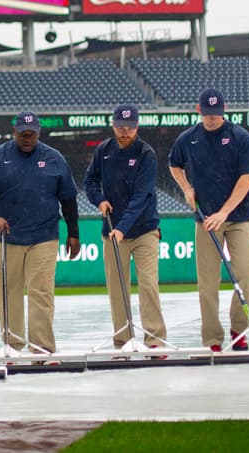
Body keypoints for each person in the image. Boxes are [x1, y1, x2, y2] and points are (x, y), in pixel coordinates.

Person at [168, 87, 249, 352]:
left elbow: (247, 178)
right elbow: (174, 164)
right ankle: (212, 339)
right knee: (207, 281)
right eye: (208, 113)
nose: (212, 118)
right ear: (199, 110)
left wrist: (224, 212)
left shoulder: (240, 136)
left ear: (224, 110)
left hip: (238, 217)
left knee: (246, 273)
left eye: (216, 114)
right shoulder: (188, 139)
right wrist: (186, 188)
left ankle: (238, 328)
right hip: (205, 219)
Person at [0, 110, 80, 355]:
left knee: (41, 292)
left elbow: (68, 198)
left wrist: (73, 232)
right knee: (7, 292)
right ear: (14, 132)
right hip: (6, 237)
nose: (27, 138)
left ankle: (42, 348)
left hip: (43, 235)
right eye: (23, 134)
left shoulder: (54, 158)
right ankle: (12, 345)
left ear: (38, 133)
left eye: (32, 134)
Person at [83, 104, 167, 349]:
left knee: (148, 284)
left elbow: (141, 197)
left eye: (130, 127)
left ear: (137, 126)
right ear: (113, 125)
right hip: (111, 232)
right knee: (117, 289)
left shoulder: (145, 153)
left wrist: (122, 227)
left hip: (144, 230)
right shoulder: (103, 150)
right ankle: (123, 339)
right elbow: (89, 181)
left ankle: (155, 340)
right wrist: (99, 200)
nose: (125, 132)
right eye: (121, 127)